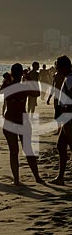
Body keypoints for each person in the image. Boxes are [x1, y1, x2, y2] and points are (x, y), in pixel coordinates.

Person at [0, 63, 43, 186]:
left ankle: (17, 179)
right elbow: (37, 93)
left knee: (13, 152)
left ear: (12, 73)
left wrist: (7, 79)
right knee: (28, 150)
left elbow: (1, 91)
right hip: (22, 119)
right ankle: (37, 177)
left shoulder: (8, 85)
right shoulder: (24, 87)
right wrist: (28, 77)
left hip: (10, 120)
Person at [50, 55, 72, 185]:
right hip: (66, 119)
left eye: (58, 66)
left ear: (64, 66)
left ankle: (61, 178)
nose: (56, 68)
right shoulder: (67, 78)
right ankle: (60, 177)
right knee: (61, 146)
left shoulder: (69, 80)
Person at [47, 62, 66, 133]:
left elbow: (53, 88)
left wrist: (49, 98)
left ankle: (61, 130)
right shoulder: (57, 76)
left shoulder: (62, 76)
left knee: (60, 114)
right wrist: (49, 98)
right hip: (58, 97)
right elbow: (53, 88)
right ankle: (60, 130)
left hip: (60, 98)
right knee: (59, 114)